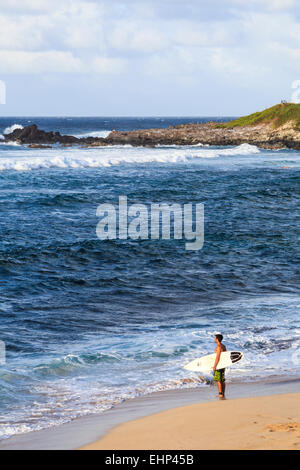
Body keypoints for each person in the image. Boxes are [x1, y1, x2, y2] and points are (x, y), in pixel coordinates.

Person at [213, 334, 226, 398]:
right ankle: (223, 393)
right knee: (222, 379)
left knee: (218, 380)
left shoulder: (218, 347)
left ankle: (220, 393)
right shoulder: (223, 346)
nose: (214, 339)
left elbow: (217, 357)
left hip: (219, 365)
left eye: (215, 338)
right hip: (223, 364)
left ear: (217, 339)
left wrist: (215, 366)